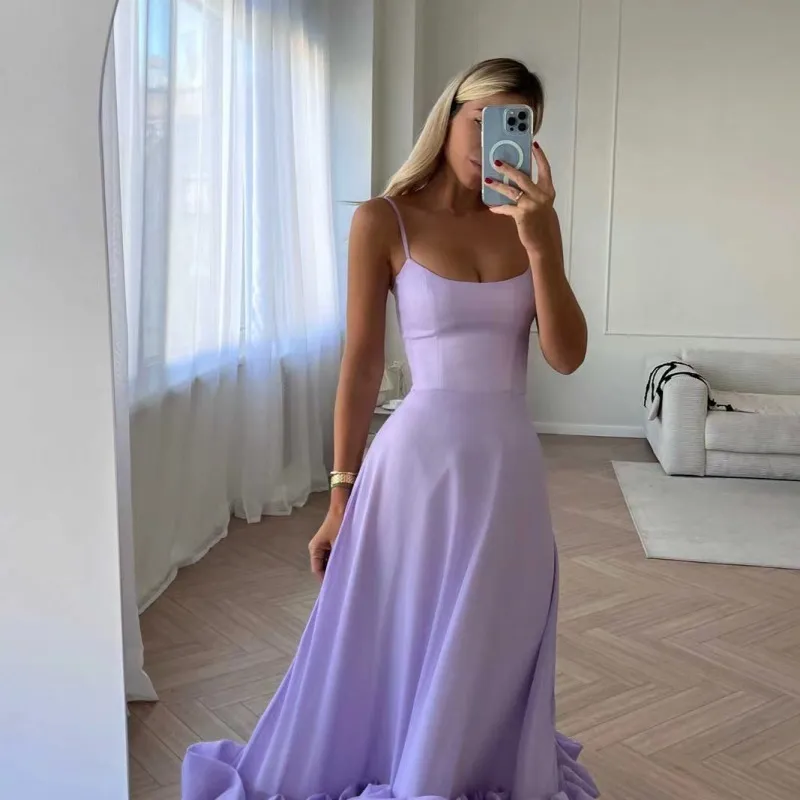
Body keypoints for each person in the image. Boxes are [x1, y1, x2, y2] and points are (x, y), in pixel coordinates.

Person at [182, 57, 598, 800]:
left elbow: (566, 357)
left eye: (515, 125)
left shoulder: (531, 224)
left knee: (495, 636)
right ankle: (406, 765)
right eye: (482, 121)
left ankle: (459, 768)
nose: (493, 142)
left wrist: (542, 243)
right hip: (415, 471)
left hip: (508, 474)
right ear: (450, 115)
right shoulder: (384, 220)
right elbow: (362, 364)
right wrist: (340, 495)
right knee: (401, 633)